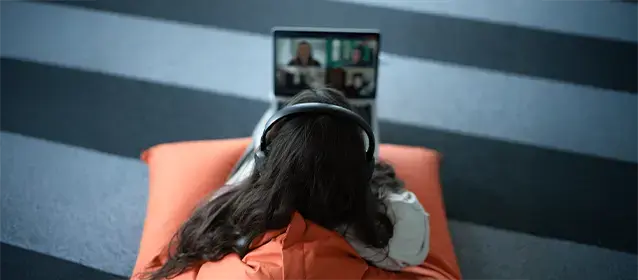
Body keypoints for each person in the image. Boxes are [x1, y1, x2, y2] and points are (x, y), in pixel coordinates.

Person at [141, 88, 429, 280]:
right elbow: (412, 230)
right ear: (364, 170)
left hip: (261, 196)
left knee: (262, 138)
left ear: (267, 162)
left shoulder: (237, 226)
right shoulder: (387, 239)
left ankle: (273, 130)